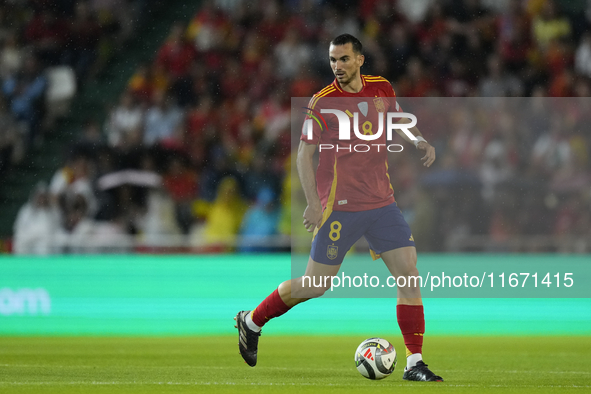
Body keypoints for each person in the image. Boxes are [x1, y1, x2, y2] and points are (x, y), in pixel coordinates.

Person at [235, 34, 442, 382]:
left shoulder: (381, 89)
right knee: (315, 285)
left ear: (360, 60)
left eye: (344, 59)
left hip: (381, 203)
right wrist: (315, 204)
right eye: (333, 60)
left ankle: (414, 362)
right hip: (339, 209)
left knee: (409, 273)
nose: (337, 66)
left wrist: (418, 139)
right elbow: (303, 155)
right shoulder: (322, 102)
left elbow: (399, 118)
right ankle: (252, 320)